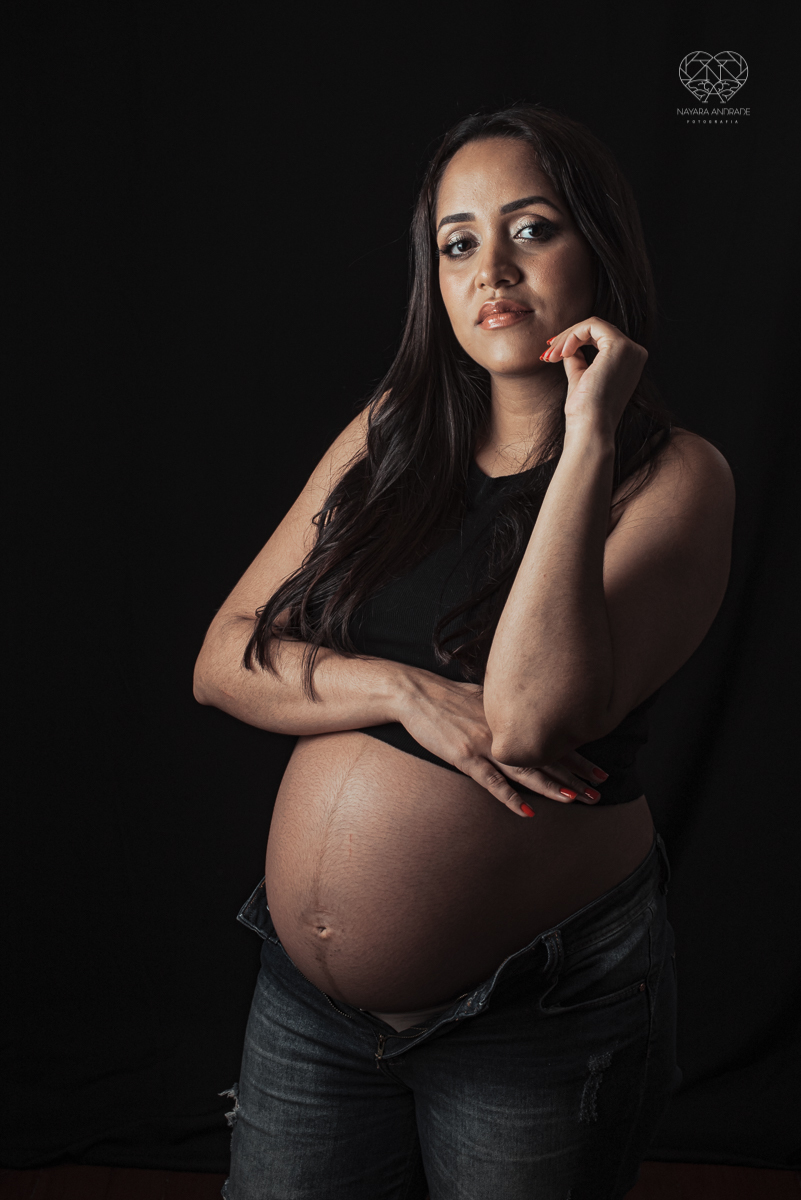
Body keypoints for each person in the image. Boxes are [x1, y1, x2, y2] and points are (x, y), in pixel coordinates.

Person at [193, 104, 735, 1200]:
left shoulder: (673, 477)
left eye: (531, 230)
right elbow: (220, 658)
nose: (491, 268)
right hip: (306, 1009)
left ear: (599, 246)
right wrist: (400, 690)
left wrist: (582, 438)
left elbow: (535, 719)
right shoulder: (397, 430)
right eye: (458, 242)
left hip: (530, 1015)